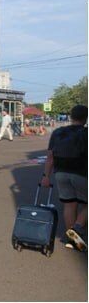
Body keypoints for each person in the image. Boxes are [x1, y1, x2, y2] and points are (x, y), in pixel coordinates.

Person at [41, 105, 88, 252]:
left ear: (71, 116)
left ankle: (73, 241)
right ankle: (77, 227)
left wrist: (46, 176)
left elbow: (50, 157)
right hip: (81, 173)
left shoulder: (58, 132)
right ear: (85, 118)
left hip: (60, 173)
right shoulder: (86, 133)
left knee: (69, 205)